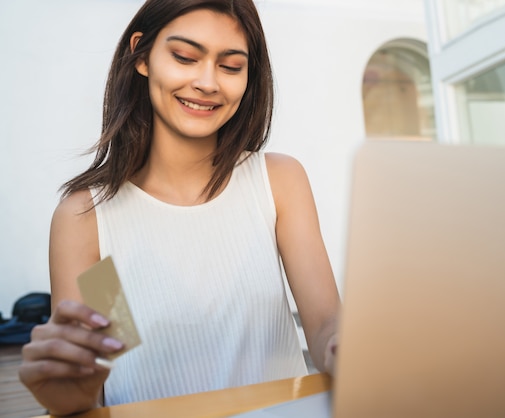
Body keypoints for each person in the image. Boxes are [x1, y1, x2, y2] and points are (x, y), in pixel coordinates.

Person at [18, 0, 341, 415]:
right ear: (141, 55)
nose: (208, 82)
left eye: (230, 66)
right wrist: (70, 398)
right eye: (185, 57)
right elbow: (108, 357)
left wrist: (344, 348)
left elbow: (325, 324)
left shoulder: (277, 181)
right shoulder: (89, 218)